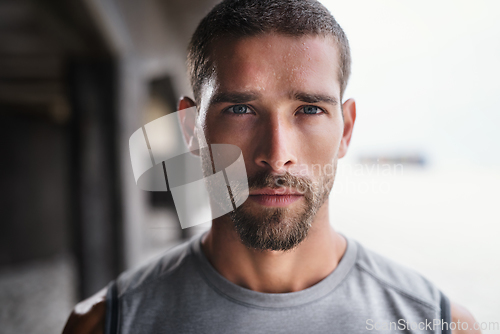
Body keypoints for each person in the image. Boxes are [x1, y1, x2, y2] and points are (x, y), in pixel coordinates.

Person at [63, 0, 481, 333]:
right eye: (241, 108)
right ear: (190, 129)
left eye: (310, 109)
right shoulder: (106, 324)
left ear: (347, 130)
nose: (277, 153)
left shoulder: (443, 325)